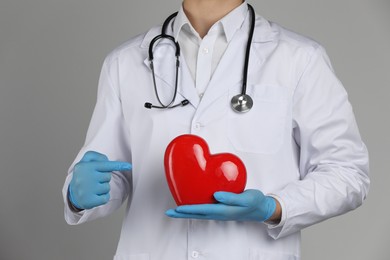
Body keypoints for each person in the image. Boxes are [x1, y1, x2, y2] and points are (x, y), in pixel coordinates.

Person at [62, 0, 370, 259]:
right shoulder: (125, 62)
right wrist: (79, 195)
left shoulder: (299, 59)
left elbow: (347, 173)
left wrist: (274, 207)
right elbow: (107, 172)